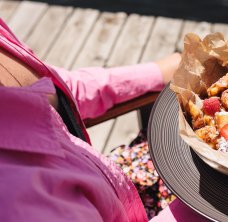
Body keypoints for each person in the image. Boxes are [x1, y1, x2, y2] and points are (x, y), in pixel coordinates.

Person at [0, 18, 208, 221]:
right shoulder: (15, 201)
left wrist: (159, 71)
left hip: (115, 185)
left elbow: (52, 89)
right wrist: (210, 202)